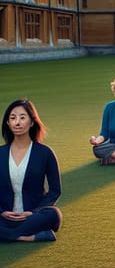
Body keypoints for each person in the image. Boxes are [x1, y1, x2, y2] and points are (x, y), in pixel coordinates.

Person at [0, 99, 62, 242]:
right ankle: (28, 236)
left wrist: (33, 212)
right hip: (4, 216)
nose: (17, 122)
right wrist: (2, 212)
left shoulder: (45, 153)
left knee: (54, 214)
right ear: (8, 123)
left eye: (22, 117)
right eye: (13, 118)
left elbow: (55, 190)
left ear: (32, 122)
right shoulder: (1, 153)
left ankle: (8, 235)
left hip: (33, 215)